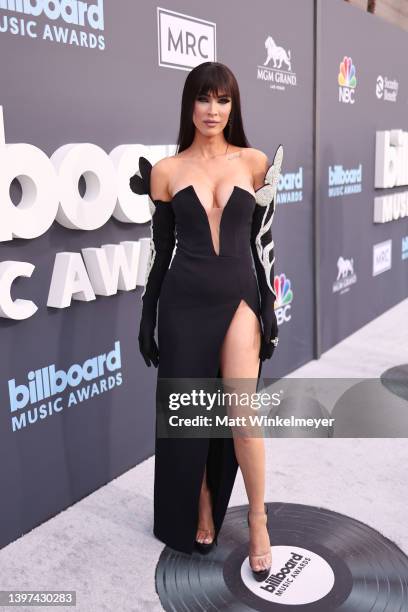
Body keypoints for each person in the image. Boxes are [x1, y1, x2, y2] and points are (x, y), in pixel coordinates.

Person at [130, 61, 283, 582]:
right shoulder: (167, 171)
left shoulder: (256, 162)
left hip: (238, 299)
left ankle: (258, 521)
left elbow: (263, 243)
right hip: (182, 302)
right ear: (189, 105)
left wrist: (269, 303)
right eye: (203, 99)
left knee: (243, 415)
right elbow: (159, 250)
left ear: (233, 107)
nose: (212, 110)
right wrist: (148, 312)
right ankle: (199, 505)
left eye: (222, 100)